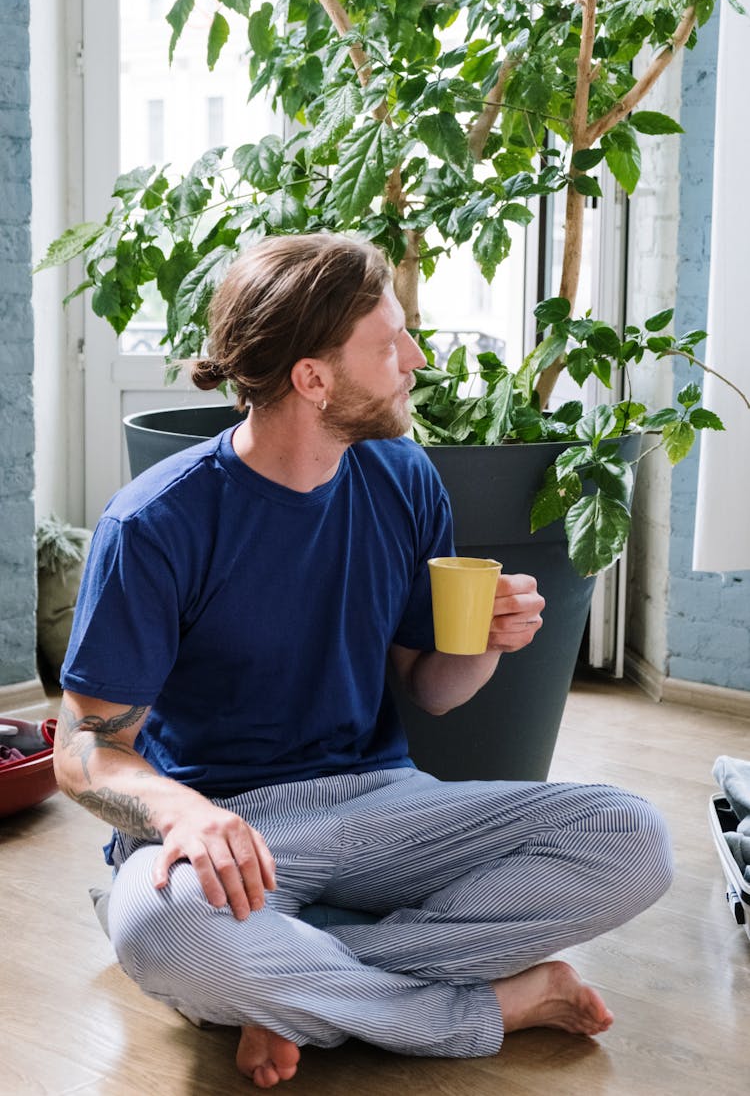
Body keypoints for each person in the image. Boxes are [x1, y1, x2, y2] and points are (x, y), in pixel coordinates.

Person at [54, 233, 673, 1089]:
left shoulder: (402, 476)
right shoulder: (155, 525)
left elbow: (434, 689)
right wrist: (183, 815)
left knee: (634, 836)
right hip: (233, 830)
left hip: (386, 803)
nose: (415, 357)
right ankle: (483, 1006)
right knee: (165, 927)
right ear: (313, 378)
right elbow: (82, 751)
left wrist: (482, 644)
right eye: (389, 344)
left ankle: (278, 987)